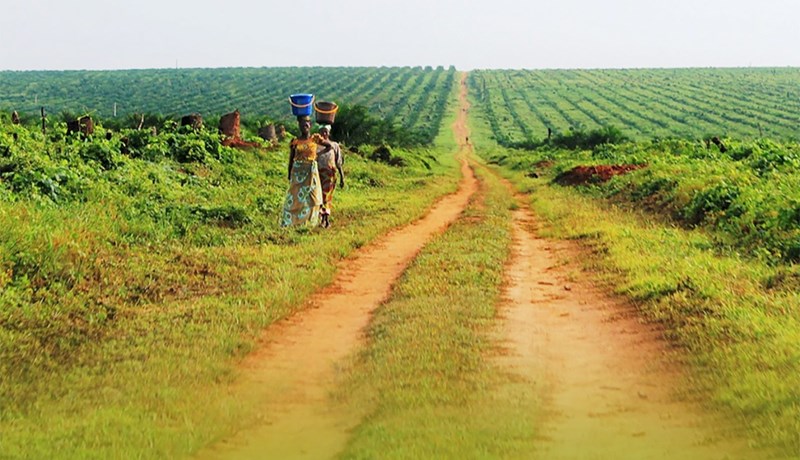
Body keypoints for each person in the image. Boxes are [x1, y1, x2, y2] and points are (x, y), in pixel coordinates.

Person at [280, 115, 331, 227]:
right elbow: (291, 159)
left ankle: (309, 222)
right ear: (299, 126)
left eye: (307, 123)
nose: (305, 126)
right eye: (303, 124)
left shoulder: (315, 138)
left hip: (311, 172)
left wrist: (317, 155)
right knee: (295, 197)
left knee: (312, 197)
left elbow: (329, 146)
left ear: (310, 125)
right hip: (298, 173)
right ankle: (291, 221)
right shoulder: (295, 141)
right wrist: (289, 174)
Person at [315, 124, 344, 227]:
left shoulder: (334, 145)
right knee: (318, 196)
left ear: (329, 133)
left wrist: (342, 178)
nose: (324, 133)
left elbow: (338, 163)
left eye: (326, 131)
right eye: (322, 131)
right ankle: (320, 219)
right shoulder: (316, 145)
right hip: (317, 175)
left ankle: (325, 219)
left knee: (326, 197)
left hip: (330, 175)